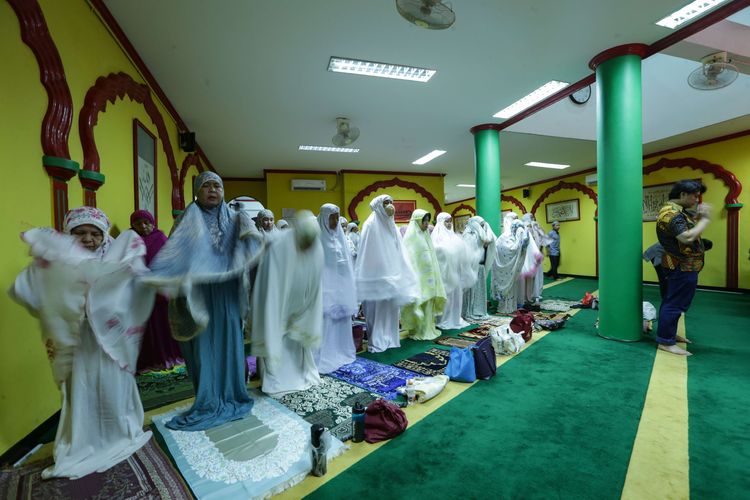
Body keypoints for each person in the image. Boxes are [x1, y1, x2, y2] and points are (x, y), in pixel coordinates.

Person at [10, 207, 154, 478]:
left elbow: (134, 290)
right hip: (80, 341)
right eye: (80, 233)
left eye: (94, 233)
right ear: (68, 234)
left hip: (110, 343)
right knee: (83, 387)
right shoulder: (58, 262)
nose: (88, 239)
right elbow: (28, 288)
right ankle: (85, 441)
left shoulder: (118, 259)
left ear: (103, 235)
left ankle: (118, 433)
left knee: (113, 385)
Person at [147, 172, 264, 430]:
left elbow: (253, 245)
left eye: (217, 186)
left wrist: (248, 236)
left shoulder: (235, 218)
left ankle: (233, 393)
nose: (213, 190)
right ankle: (209, 398)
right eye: (207, 186)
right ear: (197, 192)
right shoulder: (186, 221)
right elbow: (174, 255)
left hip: (228, 294)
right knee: (204, 346)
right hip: (199, 296)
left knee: (230, 342)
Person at [251, 211, 324, 395]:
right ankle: (276, 380)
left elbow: (315, 283)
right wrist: (281, 311)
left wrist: (306, 309)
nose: (308, 245)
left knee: (296, 346)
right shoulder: (280, 246)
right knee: (276, 341)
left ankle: (298, 375)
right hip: (277, 308)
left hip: (300, 309)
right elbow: (272, 285)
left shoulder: (316, 247)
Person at [354, 194, 419, 352]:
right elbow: (367, 255)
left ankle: (390, 339)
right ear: (378, 206)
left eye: (391, 202)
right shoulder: (370, 225)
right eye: (386, 203)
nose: (390, 205)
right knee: (377, 313)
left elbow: (399, 250)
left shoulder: (392, 225)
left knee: (391, 311)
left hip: (393, 277)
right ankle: (377, 341)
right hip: (376, 278)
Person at [655, 179, 711, 356]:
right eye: (695, 196)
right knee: (675, 303)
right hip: (681, 266)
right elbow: (686, 238)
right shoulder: (672, 214)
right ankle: (665, 341)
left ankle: (668, 334)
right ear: (683, 195)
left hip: (684, 265)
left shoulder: (680, 213)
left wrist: (698, 220)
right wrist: (706, 220)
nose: (697, 199)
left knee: (672, 301)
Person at [129, 210, 183, 372]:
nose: (143, 227)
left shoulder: (160, 238)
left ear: (153, 223)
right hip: (141, 291)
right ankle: (153, 359)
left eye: (146, 223)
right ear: (133, 225)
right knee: (149, 328)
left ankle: (168, 356)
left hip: (161, 291)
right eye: (138, 224)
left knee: (164, 325)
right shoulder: (131, 241)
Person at [313, 204, 358, 374]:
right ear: (324, 217)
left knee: (340, 321)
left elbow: (346, 263)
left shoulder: (340, 237)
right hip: (324, 289)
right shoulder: (317, 237)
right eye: (332, 216)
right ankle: (325, 355)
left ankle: (340, 351)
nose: (335, 220)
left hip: (340, 288)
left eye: (337, 216)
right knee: (326, 323)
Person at [401, 210, 447, 340]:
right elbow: (410, 260)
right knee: (419, 304)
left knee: (428, 305)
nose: (426, 224)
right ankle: (419, 330)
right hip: (418, 279)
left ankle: (428, 329)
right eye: (424, 221)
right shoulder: (410, 237)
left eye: (427, 221)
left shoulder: (426, 235)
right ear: (417, 221)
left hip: (429, 279)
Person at [431, 212, 475, 330]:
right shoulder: (436, 238)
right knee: (447, 298)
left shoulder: (455, 237)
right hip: (444, 275)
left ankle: (455, 318)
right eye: (447, 221)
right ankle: (443, 320)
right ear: (441, 222)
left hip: (456, 273)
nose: (449, 224)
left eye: (450, 221)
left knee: (456, 297)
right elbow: (436, 255)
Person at [492, 212, 531, 313]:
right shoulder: (504, 237)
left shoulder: (516, 235)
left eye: (517, 218)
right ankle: (504, 308)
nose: (515, 221)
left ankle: (512, 307)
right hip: (504, 271)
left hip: (511, 270)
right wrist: (518, 244)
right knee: (506, 289)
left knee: (513, 287)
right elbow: (508, 249)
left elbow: (522, 246)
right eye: (514, 219)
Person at [462, 215, 496, 321]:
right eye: (480, 225)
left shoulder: (482, 233)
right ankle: (470, 311)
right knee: (471, 291)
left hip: (480, 267)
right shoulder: (469, 234)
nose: (482, 227)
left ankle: (478, 310)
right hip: (472, 268)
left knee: (479, 289)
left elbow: (490, 239)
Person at [519, 213, 546, 308]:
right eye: (530, 218)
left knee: (536, 277)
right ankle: (529, 297)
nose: (532, 219)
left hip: (535, 255)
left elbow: (542, 239)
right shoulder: (523, 228)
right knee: (529, 277)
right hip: (528, 257)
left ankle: (535, 294)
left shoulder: (535, 227)